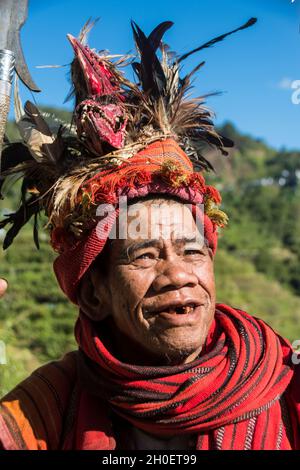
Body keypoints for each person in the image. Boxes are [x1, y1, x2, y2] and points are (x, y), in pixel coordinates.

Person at [0, 17, 299, 451]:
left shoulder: (286, 386)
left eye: (193, 251)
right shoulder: (47, 409)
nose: (178, 275)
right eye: (143, 255)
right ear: (93, 295)